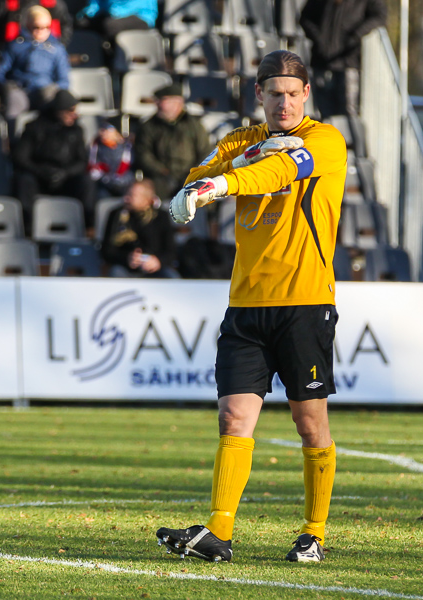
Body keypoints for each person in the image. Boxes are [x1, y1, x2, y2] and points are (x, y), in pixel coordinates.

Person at [155, 50, 347, 563]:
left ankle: (314, 532)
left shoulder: (323, 141)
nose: (283, 103)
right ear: (257, 94)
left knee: (310, 423)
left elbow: (276, 174)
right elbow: (200, 172)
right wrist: (224, 170)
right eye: (273, 93)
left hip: (304, 300)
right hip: (246, 303)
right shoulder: (243, 140)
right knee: (233, 417)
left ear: (306, 95)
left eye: (292, 93)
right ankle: (219, 531)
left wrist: (223, 183)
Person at [12, 89, 91, 227]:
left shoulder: (76, 131)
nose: (74, 116)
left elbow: (81, 161)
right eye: (70, 112)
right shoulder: (34, 127)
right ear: (59, 111)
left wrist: (65, 173)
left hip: (65, 177)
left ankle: (88, 224)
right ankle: (28, 226)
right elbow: (20, 157)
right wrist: (41, 171)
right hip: (39, 176)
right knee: (24, 181)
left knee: (86, 181)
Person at [299, 0, 387, 117]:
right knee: (324, 114)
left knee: (348, 114)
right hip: (321, 61)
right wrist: (319, 39)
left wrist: (355, 36)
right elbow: (305, 18)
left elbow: (380, 15)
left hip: (348, 62)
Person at [133, 83, 213, 200]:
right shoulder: (149, 126)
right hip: (160, 178)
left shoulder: (194, 126)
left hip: (190, 176)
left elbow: (205, 153)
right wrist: (162, 171)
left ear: (177, 102)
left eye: (163, 100)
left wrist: (193, 174)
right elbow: (143, 153)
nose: (158, 104)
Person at [0, 5, 71, 119]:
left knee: (51, 98)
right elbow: (0, 71)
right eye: (36, 27)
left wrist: (53, 88)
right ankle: (12, 135)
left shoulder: (57, 49)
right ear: (27, 26)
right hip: (20, 90)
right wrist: (7, 85)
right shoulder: (15, 46)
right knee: (13, 99)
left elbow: (64, 80)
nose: (41, 31)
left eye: (46, 27)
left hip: (44, 90)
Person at [101, 179, 179, 278]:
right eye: (126, 194)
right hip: (125, 267)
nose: (126, 198)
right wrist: (127, 258)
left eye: (132, 195)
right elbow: (107, 250)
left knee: (171, 276)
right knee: (116, 273)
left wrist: (158, 261)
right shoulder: (117, 215)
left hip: (154, 269)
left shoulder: (161, 216)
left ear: (146, 199)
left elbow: (171, 251)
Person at [75, 0, 157, 66]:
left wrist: (113, 12)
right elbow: (96, 5)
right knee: (82, 24)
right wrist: (88, 14)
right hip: (111, 16)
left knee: (110, 26)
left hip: (140, 15)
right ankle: (91, 61)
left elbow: (132, 5)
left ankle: (114, 62)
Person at [88, 118, 135, 200]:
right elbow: (94, 167)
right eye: (101, 129)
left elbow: (129, 169)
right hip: (103, 185)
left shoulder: (127, 149)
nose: (103, 132)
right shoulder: (96, 148)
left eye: (107, 129)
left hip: (123, 185)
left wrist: (119, 179)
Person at [4, 0, 74, 46]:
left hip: (48, 48)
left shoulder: (54, 4)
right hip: (18, 48)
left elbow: (66, 24)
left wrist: (61, 44)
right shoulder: (10, 3)